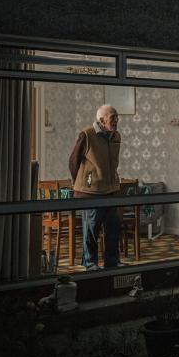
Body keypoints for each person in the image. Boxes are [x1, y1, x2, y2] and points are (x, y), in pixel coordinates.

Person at [68, 104, 122, 270]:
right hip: (91, 193)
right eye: (113, 117)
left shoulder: (116, 136)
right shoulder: (87, 135)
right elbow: (73, 162)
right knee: (91, 230)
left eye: (117, 117)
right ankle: (89, 262)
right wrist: (84, 182)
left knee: (113, 229)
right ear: (101, 120)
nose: (116, 120)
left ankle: (111, 262)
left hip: (111, 190)